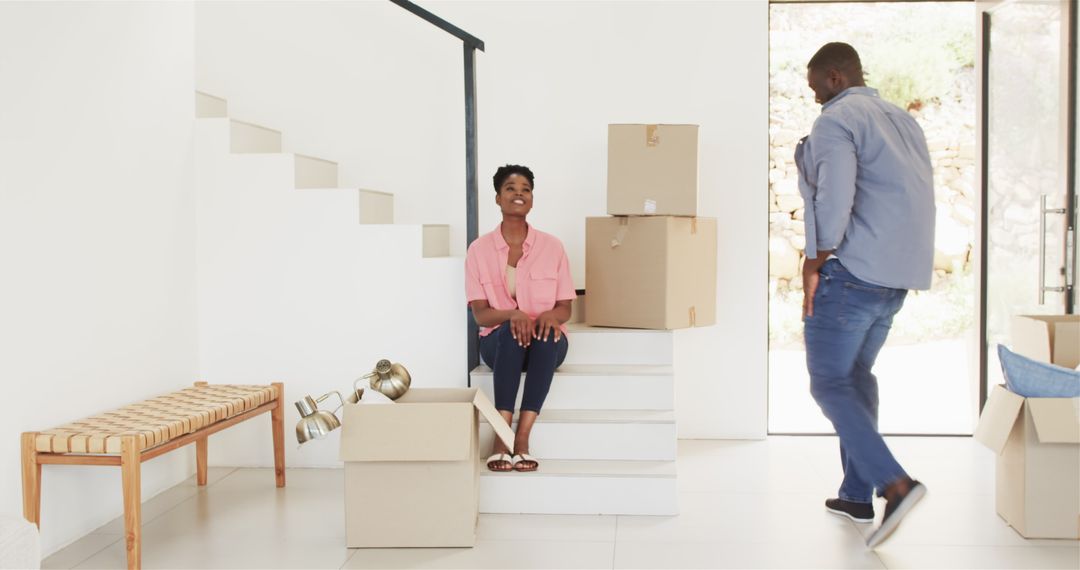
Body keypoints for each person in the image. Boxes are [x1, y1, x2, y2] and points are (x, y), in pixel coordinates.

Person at [795, 42, 935, 548]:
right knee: (855, 377)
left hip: (851, 274)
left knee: (828, 384)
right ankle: (856, 494)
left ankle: (895, 485)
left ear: (834, 77)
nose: (814, 100)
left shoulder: (838, 120)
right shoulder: (901, 119)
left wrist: (817, 256)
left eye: (815, 89)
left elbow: (836, 195)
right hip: (896, 276)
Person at [465, 164, 575, 473]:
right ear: (498, 198)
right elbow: (481, 315)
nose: (519, 194)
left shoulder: (552, 247)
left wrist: (550, 317)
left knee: (547, 333)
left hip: (545, 345)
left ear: (532, 199)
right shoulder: (479, 250)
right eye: (511, 189)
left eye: (525, 189)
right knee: (512, 331)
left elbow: (565, 306)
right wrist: (514, 315)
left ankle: (522, 438)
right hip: (500, 346)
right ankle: (503, 438)